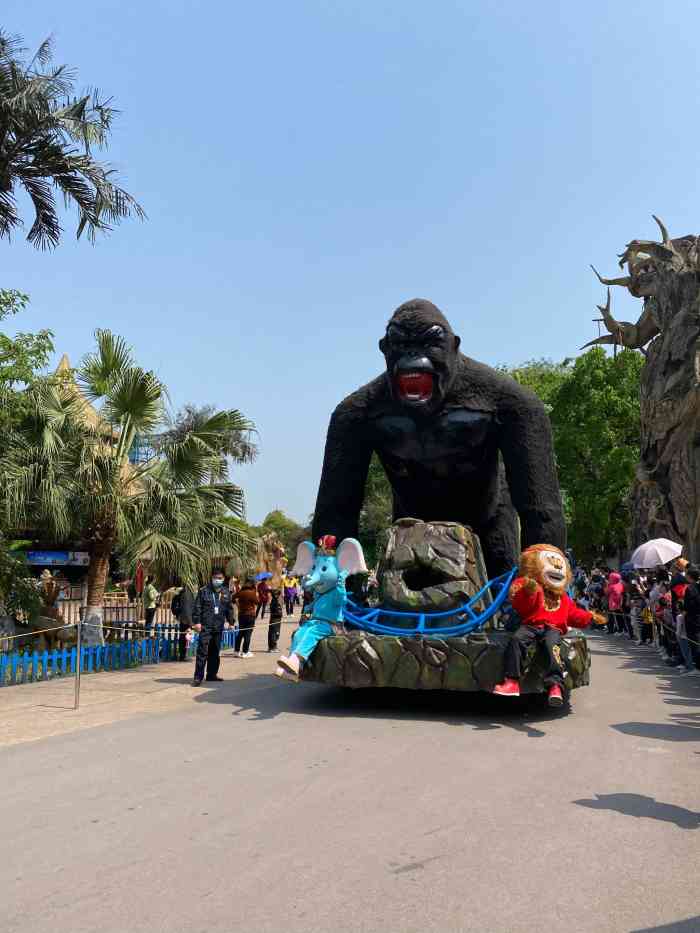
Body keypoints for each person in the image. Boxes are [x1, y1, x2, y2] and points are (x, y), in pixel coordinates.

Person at [192, 569, 232, 686]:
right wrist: (197, 622)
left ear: (223, 579)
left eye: (220, 578)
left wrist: (231, 622)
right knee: (202, 652)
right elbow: (197, 607)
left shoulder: (226, 592)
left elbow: (229, 608)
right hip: (206, 626)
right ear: (212, 578)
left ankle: (211, 674)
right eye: (215, 578)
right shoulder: (204, 591)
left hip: (218, 627)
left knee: (215, 651)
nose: (217, 580)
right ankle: (198, 677)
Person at [233, 578, 259, 657]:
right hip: (250, 615)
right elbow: (257, 602)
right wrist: (256, 594)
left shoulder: (241, 592)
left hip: (241, 615)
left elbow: (233, 598)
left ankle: (236, 650)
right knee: (248, 633)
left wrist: (238, 604)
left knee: (240, 633)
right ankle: (245, 651)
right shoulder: (252, 593)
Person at [171, 581, 195, 662]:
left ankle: (184, 655)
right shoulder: (184, 592)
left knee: (186, 637)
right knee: (184, 637)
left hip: (186, 617)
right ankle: (183, 655)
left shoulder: (187, 592)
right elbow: (185, 607)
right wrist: (190, 621)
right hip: (186, 618)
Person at [683, 566, 700, 670]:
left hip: (692, 619)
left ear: (689, 576)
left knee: (694, 643)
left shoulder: (689, 589)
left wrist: (682, 615)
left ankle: (696, 668)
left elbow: (687, 606)